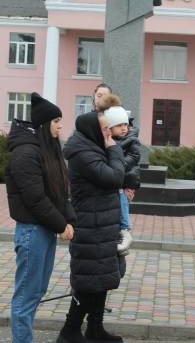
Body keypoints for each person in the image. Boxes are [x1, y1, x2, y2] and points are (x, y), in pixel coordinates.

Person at [5, 93, 75, 343]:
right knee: (26, 295)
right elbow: (36, 199)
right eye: (56, 121)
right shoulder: (25, 154)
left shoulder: (47, 151)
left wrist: (69, 220)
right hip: (32, 232)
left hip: (44, 230)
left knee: (36, 291)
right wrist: (61, 224)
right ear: (45, 124)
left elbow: (58, 192)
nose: (60, 126)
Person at [58, 111, 126, 343]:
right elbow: (114, 177)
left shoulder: (93, 147)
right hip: (90, 226)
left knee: (101, 279)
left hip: (102, 224)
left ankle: (95, 329)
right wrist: (114, 149)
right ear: (94, 131)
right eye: (105, 128)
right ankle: (69, 331)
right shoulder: (83, 154)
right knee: (89, 281)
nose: (109, 132)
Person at [103, 102, 141, 255]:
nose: (124, 128)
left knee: (122, 199)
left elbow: (135, 158)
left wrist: (118, 165)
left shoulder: (131, 139)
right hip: (112, 179)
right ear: (110, 128)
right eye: (120, 125)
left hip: (123, 179)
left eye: (126, 124)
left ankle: (125, 230)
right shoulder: (106, 140)